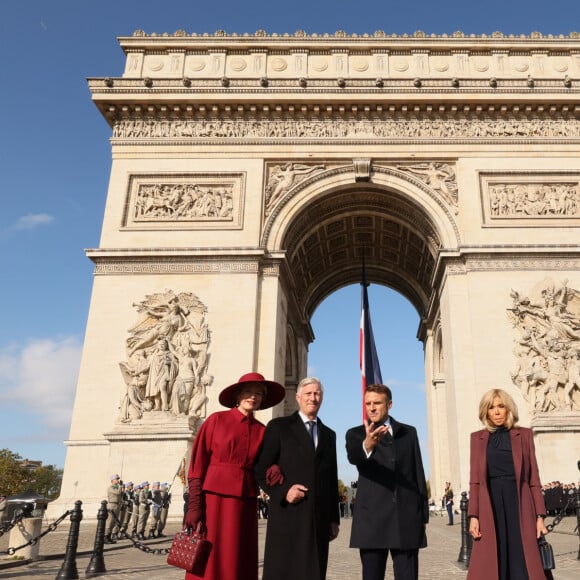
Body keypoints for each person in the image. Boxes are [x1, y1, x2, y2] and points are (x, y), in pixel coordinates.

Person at [183, 372, 285, 580]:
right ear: (238, 395)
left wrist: (275, 471)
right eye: (248, 391)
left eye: (259, 393)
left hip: (245, 503)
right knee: (211, 557)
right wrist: (194, 506)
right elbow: (197, 466)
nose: (253, 396)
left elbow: (263, 466)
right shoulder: (215, 420)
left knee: (239, 556)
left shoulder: (263, 431)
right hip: (213, 501)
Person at [255, 376, 340, 580]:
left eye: (317, 393)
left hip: (318, 519)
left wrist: (334, 519)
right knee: (285, 571)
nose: (313, 397)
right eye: (309, 393)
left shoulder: (330, 435)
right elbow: (260, 469)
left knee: (315, 572)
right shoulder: (278, 427)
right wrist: (284, 492)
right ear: (298, 397)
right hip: (288, 515)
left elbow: (331, 478)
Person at [345, 383, 428, 580]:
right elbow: (354, 458)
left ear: (389, 404)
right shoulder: (356, 433)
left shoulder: (409, 432)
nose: (371, 407)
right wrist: (368, 445)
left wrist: (422, 514)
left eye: (377, 403)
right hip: (372, 520)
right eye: (368, 403)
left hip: (405, 518)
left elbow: (418, 472)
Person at [467, 388, 550, 580]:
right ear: (485, 412)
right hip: (490, 503)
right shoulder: (476, 438)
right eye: (491, 407)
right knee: (492, 557)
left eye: (500, 406)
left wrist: (540, 516)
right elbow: (475, 482)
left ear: (508, 409)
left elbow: (534, 480)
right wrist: (473, 515)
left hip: (520, 502)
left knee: (523, 555)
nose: (496, 412)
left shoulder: (525, 435)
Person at [105, 474, 122, 544]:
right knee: (110, 521)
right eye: (116, 479)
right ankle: (106, 536)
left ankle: (109, 537)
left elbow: (120, 496)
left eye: (118, 479)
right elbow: (118, 493)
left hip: (117, 505)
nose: (118, 480)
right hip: (112, 505)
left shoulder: (117, 487)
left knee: (114, 522)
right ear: (112, 480)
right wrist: (120, 486)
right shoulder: (111, 487)